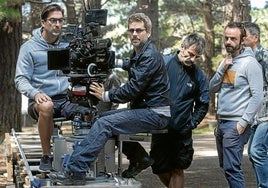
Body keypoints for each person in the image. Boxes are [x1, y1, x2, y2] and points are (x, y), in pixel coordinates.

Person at [49, 12, 171, 185]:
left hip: (155, 113)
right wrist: (113, 61)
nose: (134, 34)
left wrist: (105, 95)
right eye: (131, 31)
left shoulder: (150, 55)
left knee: (104, 124)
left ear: (148, 32)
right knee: (101, 118)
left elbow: (133, 89)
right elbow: (133, 63)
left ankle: (75, 171)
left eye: (139, 30)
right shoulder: (141, 52)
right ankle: (139, 158)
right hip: (147, 110)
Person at [14, 4, 91, 171]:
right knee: (47, 106)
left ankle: (83, 157)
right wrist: (35, 94)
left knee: (89, 111)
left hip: (65, 99)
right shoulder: (29, 48)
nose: (57, 24)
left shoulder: (68, 44)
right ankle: (46, 155)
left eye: (60, 21)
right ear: (43, 22)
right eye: (53, 20)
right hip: (40, 101)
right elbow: (20, 79)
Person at [149, 33, 210, 188]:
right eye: (190, 54)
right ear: (182, 47)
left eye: (197, 57)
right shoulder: (164, 62)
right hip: (160, 128)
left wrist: (192, 123)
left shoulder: (198, 75)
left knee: (178, 169)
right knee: (158, 168)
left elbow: (203, 103)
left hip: (182, 132)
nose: (192, 59)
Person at [209, 22, 263, 188]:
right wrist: (221, 69)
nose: (228, 42)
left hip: (236, 124)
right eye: (226, 38)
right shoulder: (225, 62)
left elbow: (257, 96)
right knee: (226, 166)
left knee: (232, 168)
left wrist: (243, 122)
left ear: (242, 40)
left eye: (233, 38)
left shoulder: (250, 64)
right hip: (222, 123)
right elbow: (212, 88)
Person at [243, 21, 268, 188]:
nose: (242, 39)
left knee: (256, 151)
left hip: (266, 115)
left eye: (244, 36)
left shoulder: (265, 57)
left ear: (255, 38)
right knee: (253, 154)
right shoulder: (246, 59)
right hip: (254, 115)